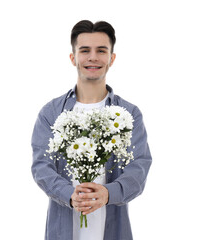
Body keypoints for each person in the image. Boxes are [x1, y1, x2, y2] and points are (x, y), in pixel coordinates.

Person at [31, 20, 152, 240]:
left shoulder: (129, 114)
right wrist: (69, 195)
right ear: (73, 57)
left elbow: (140, 166)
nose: (93, 57)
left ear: (112, 59)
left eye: (101, 51)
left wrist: (108, 193)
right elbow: (41, 167)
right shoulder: (51, 113)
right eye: (85, 50)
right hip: (63, 231)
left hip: (114, 230)